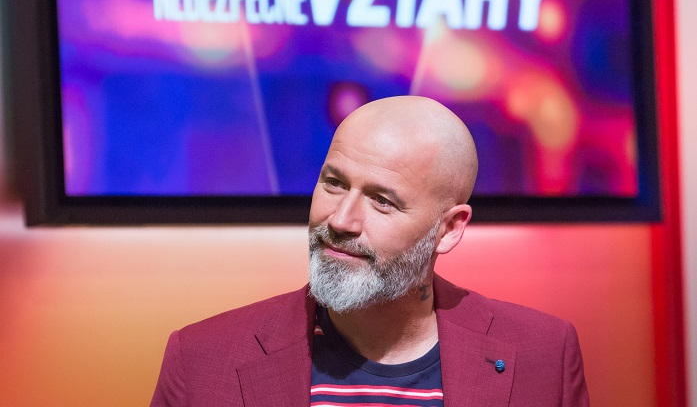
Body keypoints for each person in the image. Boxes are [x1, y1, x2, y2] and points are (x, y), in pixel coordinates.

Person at [150, 96, 590, 406]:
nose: (341, 220)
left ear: (448, 229)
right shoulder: (203, 359)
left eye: (382, 201)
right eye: (333, 183)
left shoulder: (543, 354)